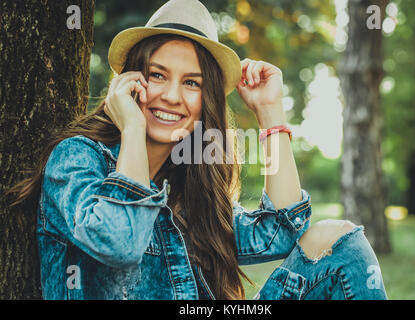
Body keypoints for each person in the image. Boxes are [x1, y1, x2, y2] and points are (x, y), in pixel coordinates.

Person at [11, 0, 387, 300]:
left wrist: (270, 111)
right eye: (157, 75)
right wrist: (134, 127)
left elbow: (280, 231)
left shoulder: (187, 188)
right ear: (128, 82)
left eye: (192, 83)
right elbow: (120, 243)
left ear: (205, 102)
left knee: (339, 239)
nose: (172, 96)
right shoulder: (78, 159)